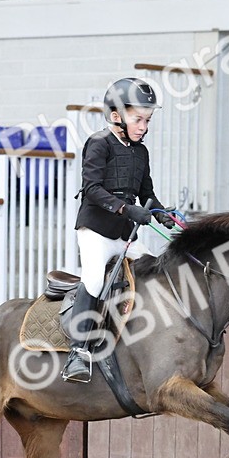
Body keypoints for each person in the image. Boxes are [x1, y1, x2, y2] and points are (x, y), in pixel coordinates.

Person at [62, 77, 177, 384]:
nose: (143, 126)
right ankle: (79, 352)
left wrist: (160, 213)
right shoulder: (99, 144)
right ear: (116, 116)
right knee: (95, 279)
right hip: (96, 232)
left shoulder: (141, 152)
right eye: (138, 119)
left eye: (147, 120)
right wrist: (127, 209)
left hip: (124, 236)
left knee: (155, 272)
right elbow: (93, 189)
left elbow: (146, 192)